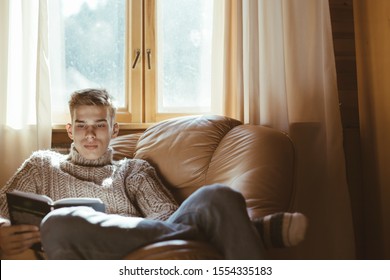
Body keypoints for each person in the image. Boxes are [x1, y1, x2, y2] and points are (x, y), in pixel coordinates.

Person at [0, 88, 307, 259]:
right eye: (81, 124)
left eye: (99, 125)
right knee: (60, 221)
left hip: (132, 247)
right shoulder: (40, 165)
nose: (89, 134)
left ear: (114, 129)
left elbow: (167, 217)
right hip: (71, 241)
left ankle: (233, 223)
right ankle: (249, 229)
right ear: (70, 130)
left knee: (218, 195)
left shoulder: (133, 170)